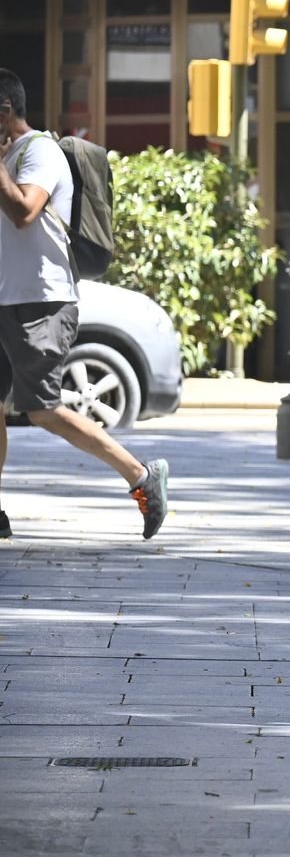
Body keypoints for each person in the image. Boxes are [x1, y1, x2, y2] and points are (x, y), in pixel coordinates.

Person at [0, 68, 168, 541]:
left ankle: (141, 476)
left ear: (5, 112)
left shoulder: (40, 152)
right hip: (4, 296)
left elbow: (24, 212)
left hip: (41, 300)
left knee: (43, 409)